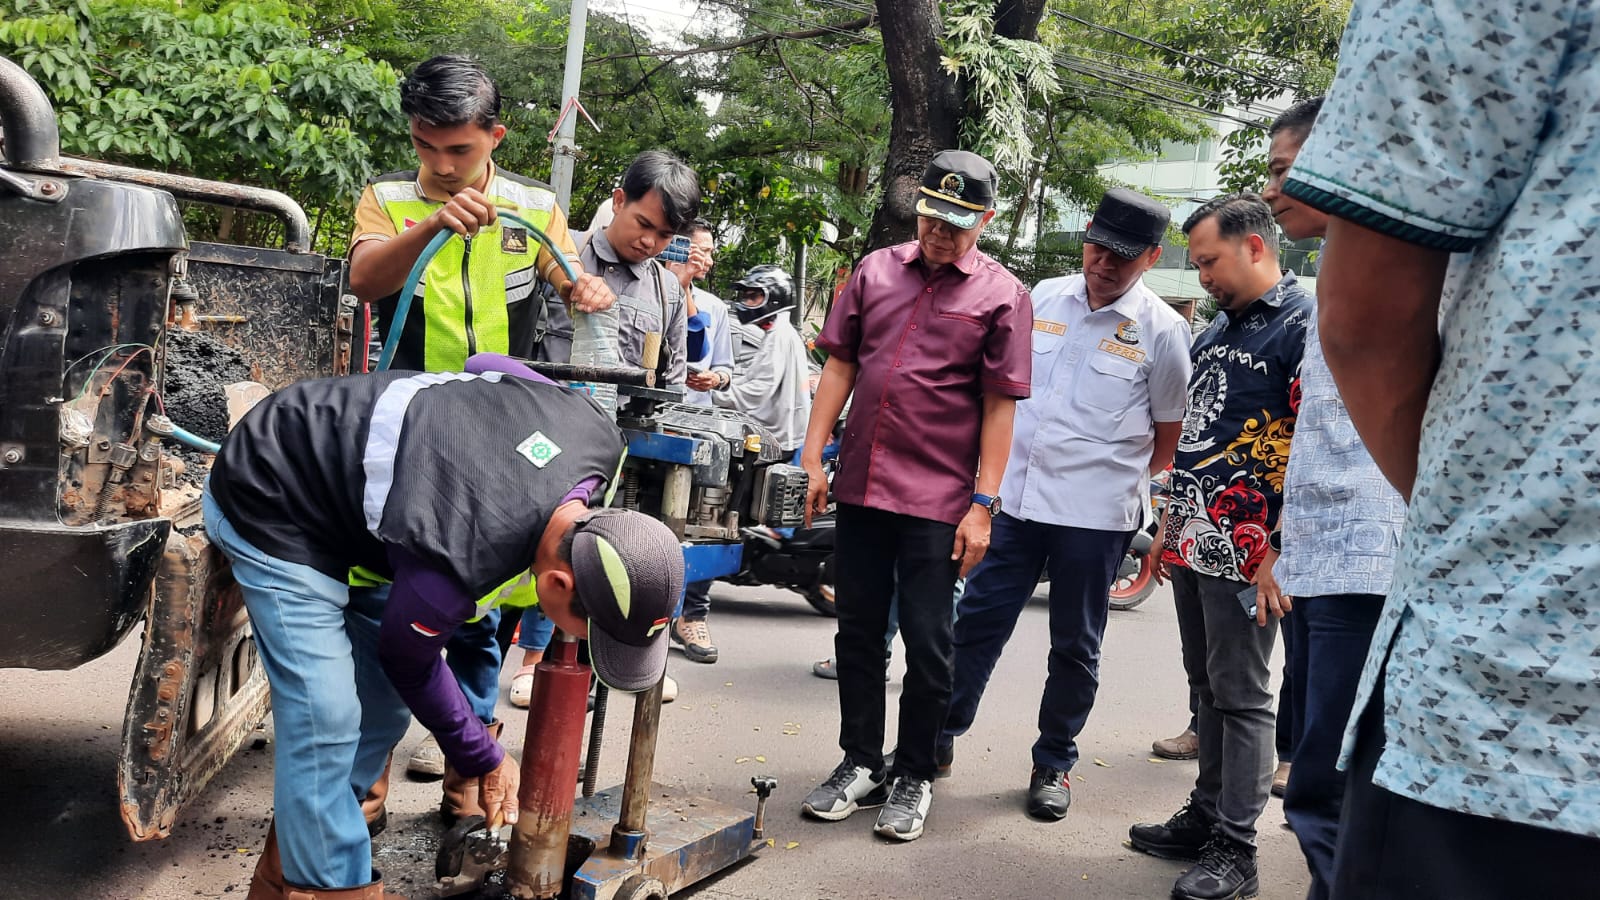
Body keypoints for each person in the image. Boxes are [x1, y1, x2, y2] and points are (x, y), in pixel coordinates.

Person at [1282, 1, 1600, 893]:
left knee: (1315, 787)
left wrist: (1469, 520)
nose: (1280, 187)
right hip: (1346, 559)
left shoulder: (1300, 309)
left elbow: (1367, 326)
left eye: (1290, 167)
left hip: (1499, 682)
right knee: (1306, 757)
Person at [205, 355, 683, 900]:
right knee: (326, 718)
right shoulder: (463, 555)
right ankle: (329, 886)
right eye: (591, 630)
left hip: (373, 514)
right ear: (556, 585)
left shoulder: (596, 435)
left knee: (378, 711)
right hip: (272, 489)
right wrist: (484, 755)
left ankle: (293, 862)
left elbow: (486, 364)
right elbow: (408, 658)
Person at [343, 53, 614, 815]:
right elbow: (364, 281)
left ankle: (471, 771)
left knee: (480, 606)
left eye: (458, 150)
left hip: (499, 440)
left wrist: (586, 289)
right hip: (406, 437)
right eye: (426, 146)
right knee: (384, 599)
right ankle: (366, 772)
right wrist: (431, 221)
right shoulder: (390, 200)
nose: (440, 165)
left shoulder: (535, 206)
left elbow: (571, 283)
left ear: (494, 136)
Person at [798, 149, 1032, 842]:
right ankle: (860, 761)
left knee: (931, 644)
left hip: (941, 499)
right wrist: (813, 457)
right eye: (934, 216)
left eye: (959, 222)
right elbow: (840, 366)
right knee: (858, 633)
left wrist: (983, 505)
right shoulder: (874, 272)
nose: (942, 232)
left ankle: (916, 774)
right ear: (920, 207)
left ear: (985, 220)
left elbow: (999, 407)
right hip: (864, 483)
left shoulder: (1001, 295)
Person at [941, 187, 1192, 821]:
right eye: (1098, 247)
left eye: (1123, 257)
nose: (1105, 264)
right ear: (1085, 236)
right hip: (1015, 505)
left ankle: (1054, 761)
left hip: (1095, 519)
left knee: (1076, 646)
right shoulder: (1041, 297)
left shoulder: (1163, 331)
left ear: (1152, 257)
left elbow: (1168, 441)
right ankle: (936, 741)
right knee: (975, 627)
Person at [1129, 193, 1310, 900]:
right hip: (1194, 542)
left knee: (1241, 697)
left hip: (1250, 550)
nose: (1200, 274)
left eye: (1208, 260)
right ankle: (1205, 820)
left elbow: (1317, 447)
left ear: (1255, 246)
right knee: (1205, 689)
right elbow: (1200, 442)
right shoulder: (1217, 329)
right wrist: (1167, 533)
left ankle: (1238, 852)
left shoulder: (1302, 326)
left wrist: (1280, 549)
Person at [1259, 96, 1407, 900]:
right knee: (1322, 776)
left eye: (1286, 171)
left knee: (1336, 779)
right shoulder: (1330, 280)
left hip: (1373, 559)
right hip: (1319, 558)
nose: (1274, 191)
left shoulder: (1405, 272)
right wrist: (1285, 541)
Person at [665, 221, 736, 665]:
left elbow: (724, 366)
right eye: (698, 250)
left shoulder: (715, 307)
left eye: (709, 253)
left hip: (699, 423)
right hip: (654, 422)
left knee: (704, 519)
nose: (706, 259)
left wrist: (717, 377)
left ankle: (692, 615)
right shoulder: (652, 287)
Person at [574, 150, 699, 386]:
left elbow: (673, 385)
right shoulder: (564, 256)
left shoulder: (669, 293)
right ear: (619, 201)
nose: (649, 241)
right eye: (643, 224)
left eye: (664, 235)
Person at [711, 265, 811, 454]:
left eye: (753, 297)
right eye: (746, 296)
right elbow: (751, 379)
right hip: (781, 435)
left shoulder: (779, 336)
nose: (746, 302)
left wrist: (709, 395)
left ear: (773, 299)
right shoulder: (777, 331)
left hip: (777, 441)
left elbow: (758, 390)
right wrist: (721, 383)